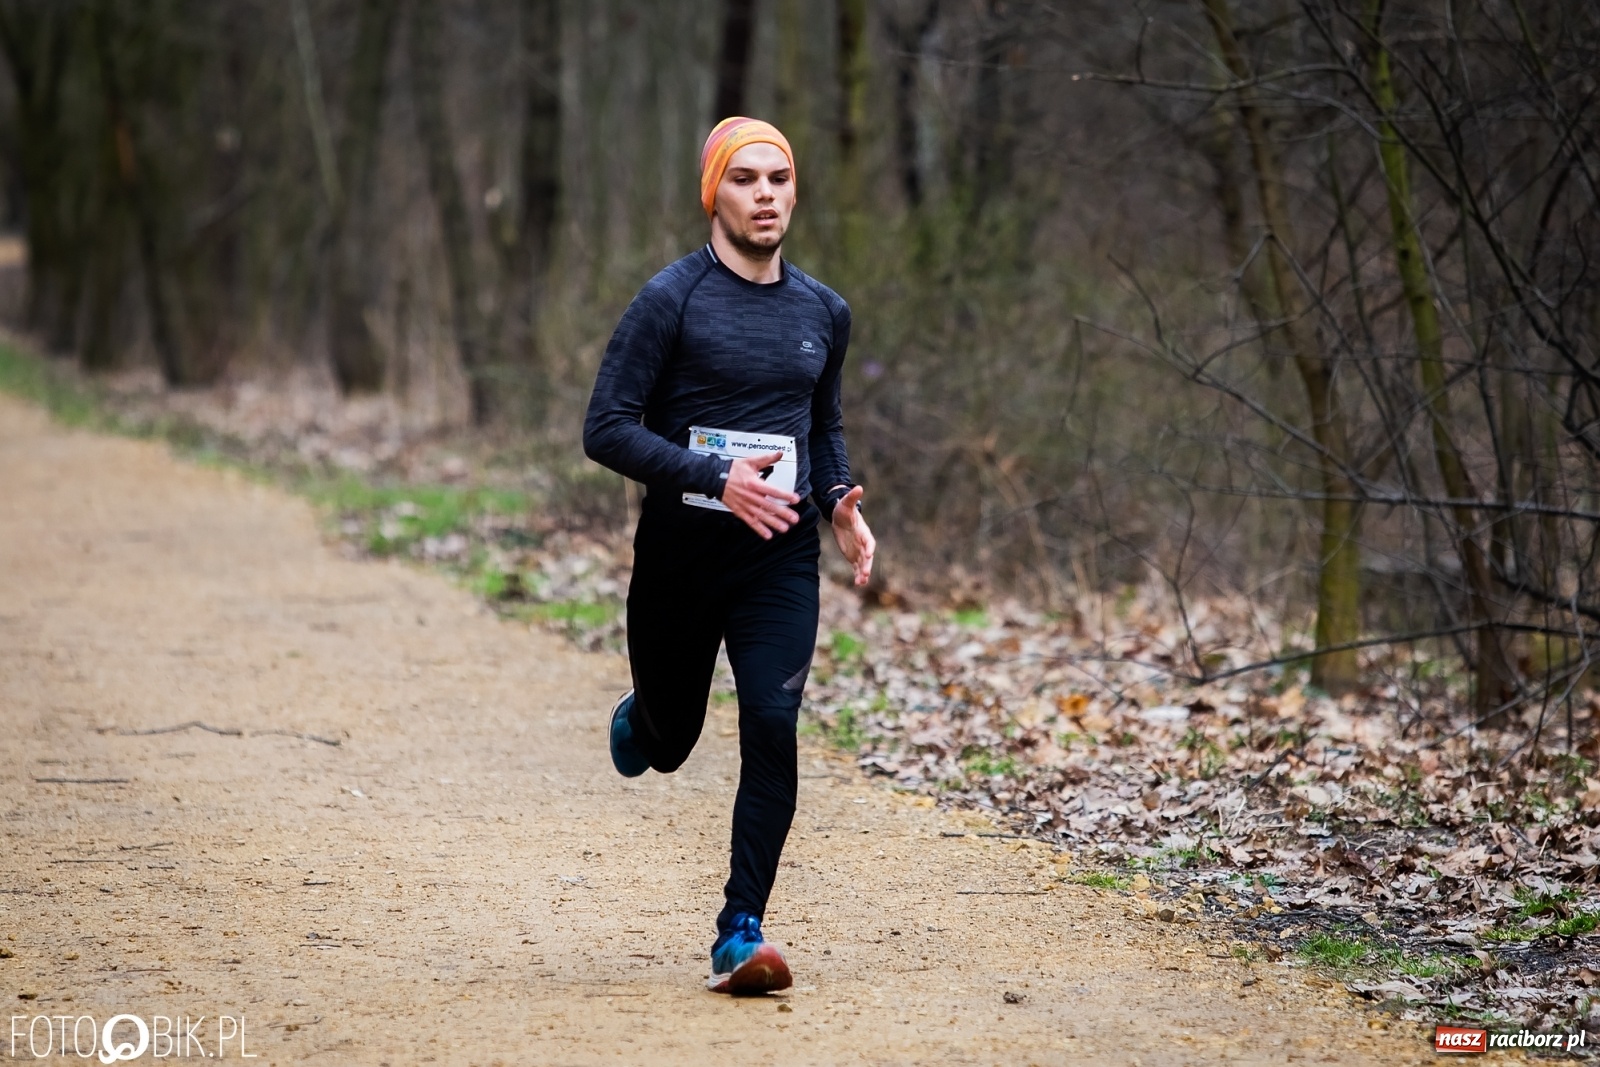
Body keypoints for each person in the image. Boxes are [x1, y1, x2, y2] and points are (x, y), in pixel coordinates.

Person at [582, 116, 875, 995]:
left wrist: (838, 500)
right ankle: (646, 717)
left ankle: (739, 929)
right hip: (679, 560)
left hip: (776, 561)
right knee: (671, 743)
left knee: (773, 724)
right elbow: (606, 428)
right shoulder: (670, 300)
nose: (765, 195)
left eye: (778, 178)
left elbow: (821, 425)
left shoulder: (824, 311)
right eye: (745, 180)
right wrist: (716, 477)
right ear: (715, 194)